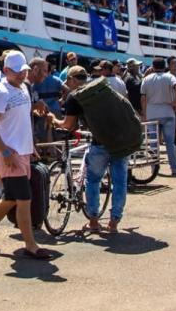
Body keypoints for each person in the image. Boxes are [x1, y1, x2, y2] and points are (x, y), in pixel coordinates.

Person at [0, 52, 59, 260]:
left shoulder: (22, 88)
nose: (23, 74)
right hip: (9, 154)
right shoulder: (0, 92)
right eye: (18, 71)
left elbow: (20, 119)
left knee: (11, 199)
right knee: (23, 199)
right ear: (6, 71)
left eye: (24, 70)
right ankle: (31, 245)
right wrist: (5, 151)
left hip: (21, 152)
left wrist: (30, 147)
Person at [44, 66, 130, 233]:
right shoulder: (103, 88)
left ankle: (93, 221)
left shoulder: (75, 97)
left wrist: (53, 119)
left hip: (100, 143)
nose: (66, 85)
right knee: (120, 182)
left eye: (67, 80)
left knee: (93, 180)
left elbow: (68, 125)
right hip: (121, 140)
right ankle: (114, 223)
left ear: (73, 79)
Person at [141, 57, 176, 176]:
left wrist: (144, 114)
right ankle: (175, 168)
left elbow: (143, 98)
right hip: (167, 111)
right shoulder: (169, 77)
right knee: (170, 143)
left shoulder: (146, 79)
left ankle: (154, 169)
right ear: (165, 66)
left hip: (152, 113)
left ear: (153, 67)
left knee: (153, 143)